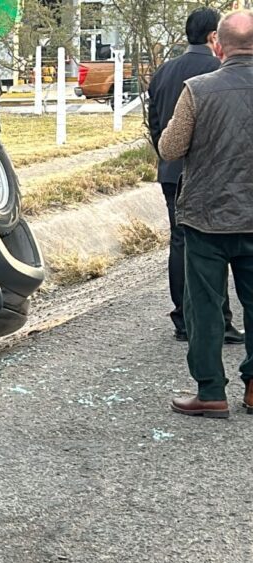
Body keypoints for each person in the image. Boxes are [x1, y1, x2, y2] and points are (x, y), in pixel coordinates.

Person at [160, 9, 253, 418]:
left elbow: (171, 149)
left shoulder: (197, 89)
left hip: (206, 217)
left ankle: (211, 391)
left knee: (204, 306)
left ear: (218, 44)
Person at [148, 7, 244, 345]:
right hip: (215, 172)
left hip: (172, 171)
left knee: (180, 242)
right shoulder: (222, 70)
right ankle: (221, 320)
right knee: (218, 244)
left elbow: (156, 125)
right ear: (213, 36)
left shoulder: (163, 71)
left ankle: (183, 319)